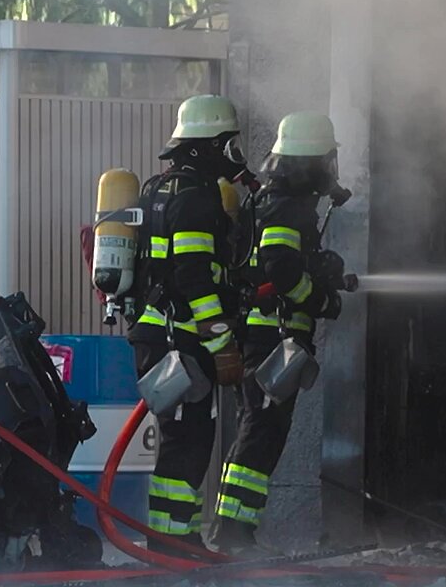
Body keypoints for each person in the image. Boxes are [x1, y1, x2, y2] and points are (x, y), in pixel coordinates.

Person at [213, 111, 351, 552]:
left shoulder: (272, 201)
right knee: (261, 432)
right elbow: (280, 268)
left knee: (258, 430)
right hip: (271, 337)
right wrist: (320, 300)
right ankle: (233, 533)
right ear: (311, 162)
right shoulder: (288, 207)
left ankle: (234, 529)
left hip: (262, 337)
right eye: (326, 159)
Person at [127, 94, 249, 553]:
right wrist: (220, 341)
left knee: (184, 439)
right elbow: (194, 277)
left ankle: (176, 540)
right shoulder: (196, 198)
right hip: (179, 339)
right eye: (226, 145)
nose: (232, 155)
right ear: (205, 146)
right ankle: (172, 546)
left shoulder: (160, 188)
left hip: (161, 335)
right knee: (188, 443)